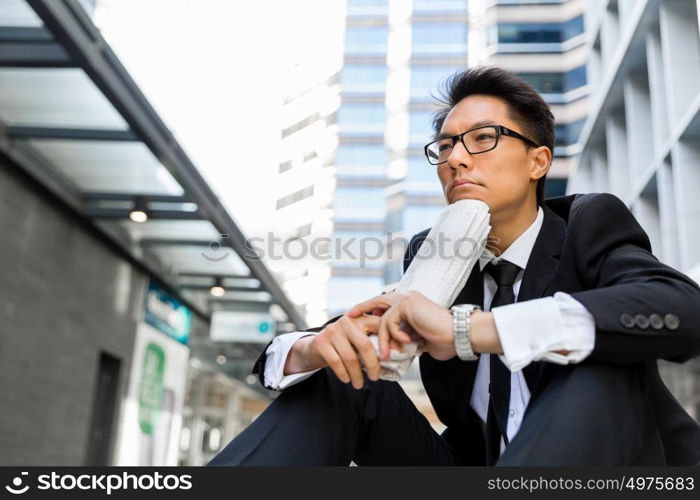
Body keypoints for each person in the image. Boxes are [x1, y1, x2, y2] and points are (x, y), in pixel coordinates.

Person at [208, 66, 700, 466]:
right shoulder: (437, 251)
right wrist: (315, 348)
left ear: (538, 162)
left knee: (587, 350)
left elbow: (681, 309)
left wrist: (472, 330)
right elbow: (350, 339)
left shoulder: (588, 223)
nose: (456, 159)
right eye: (445, 146)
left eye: (482, 138)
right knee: (343, 374)